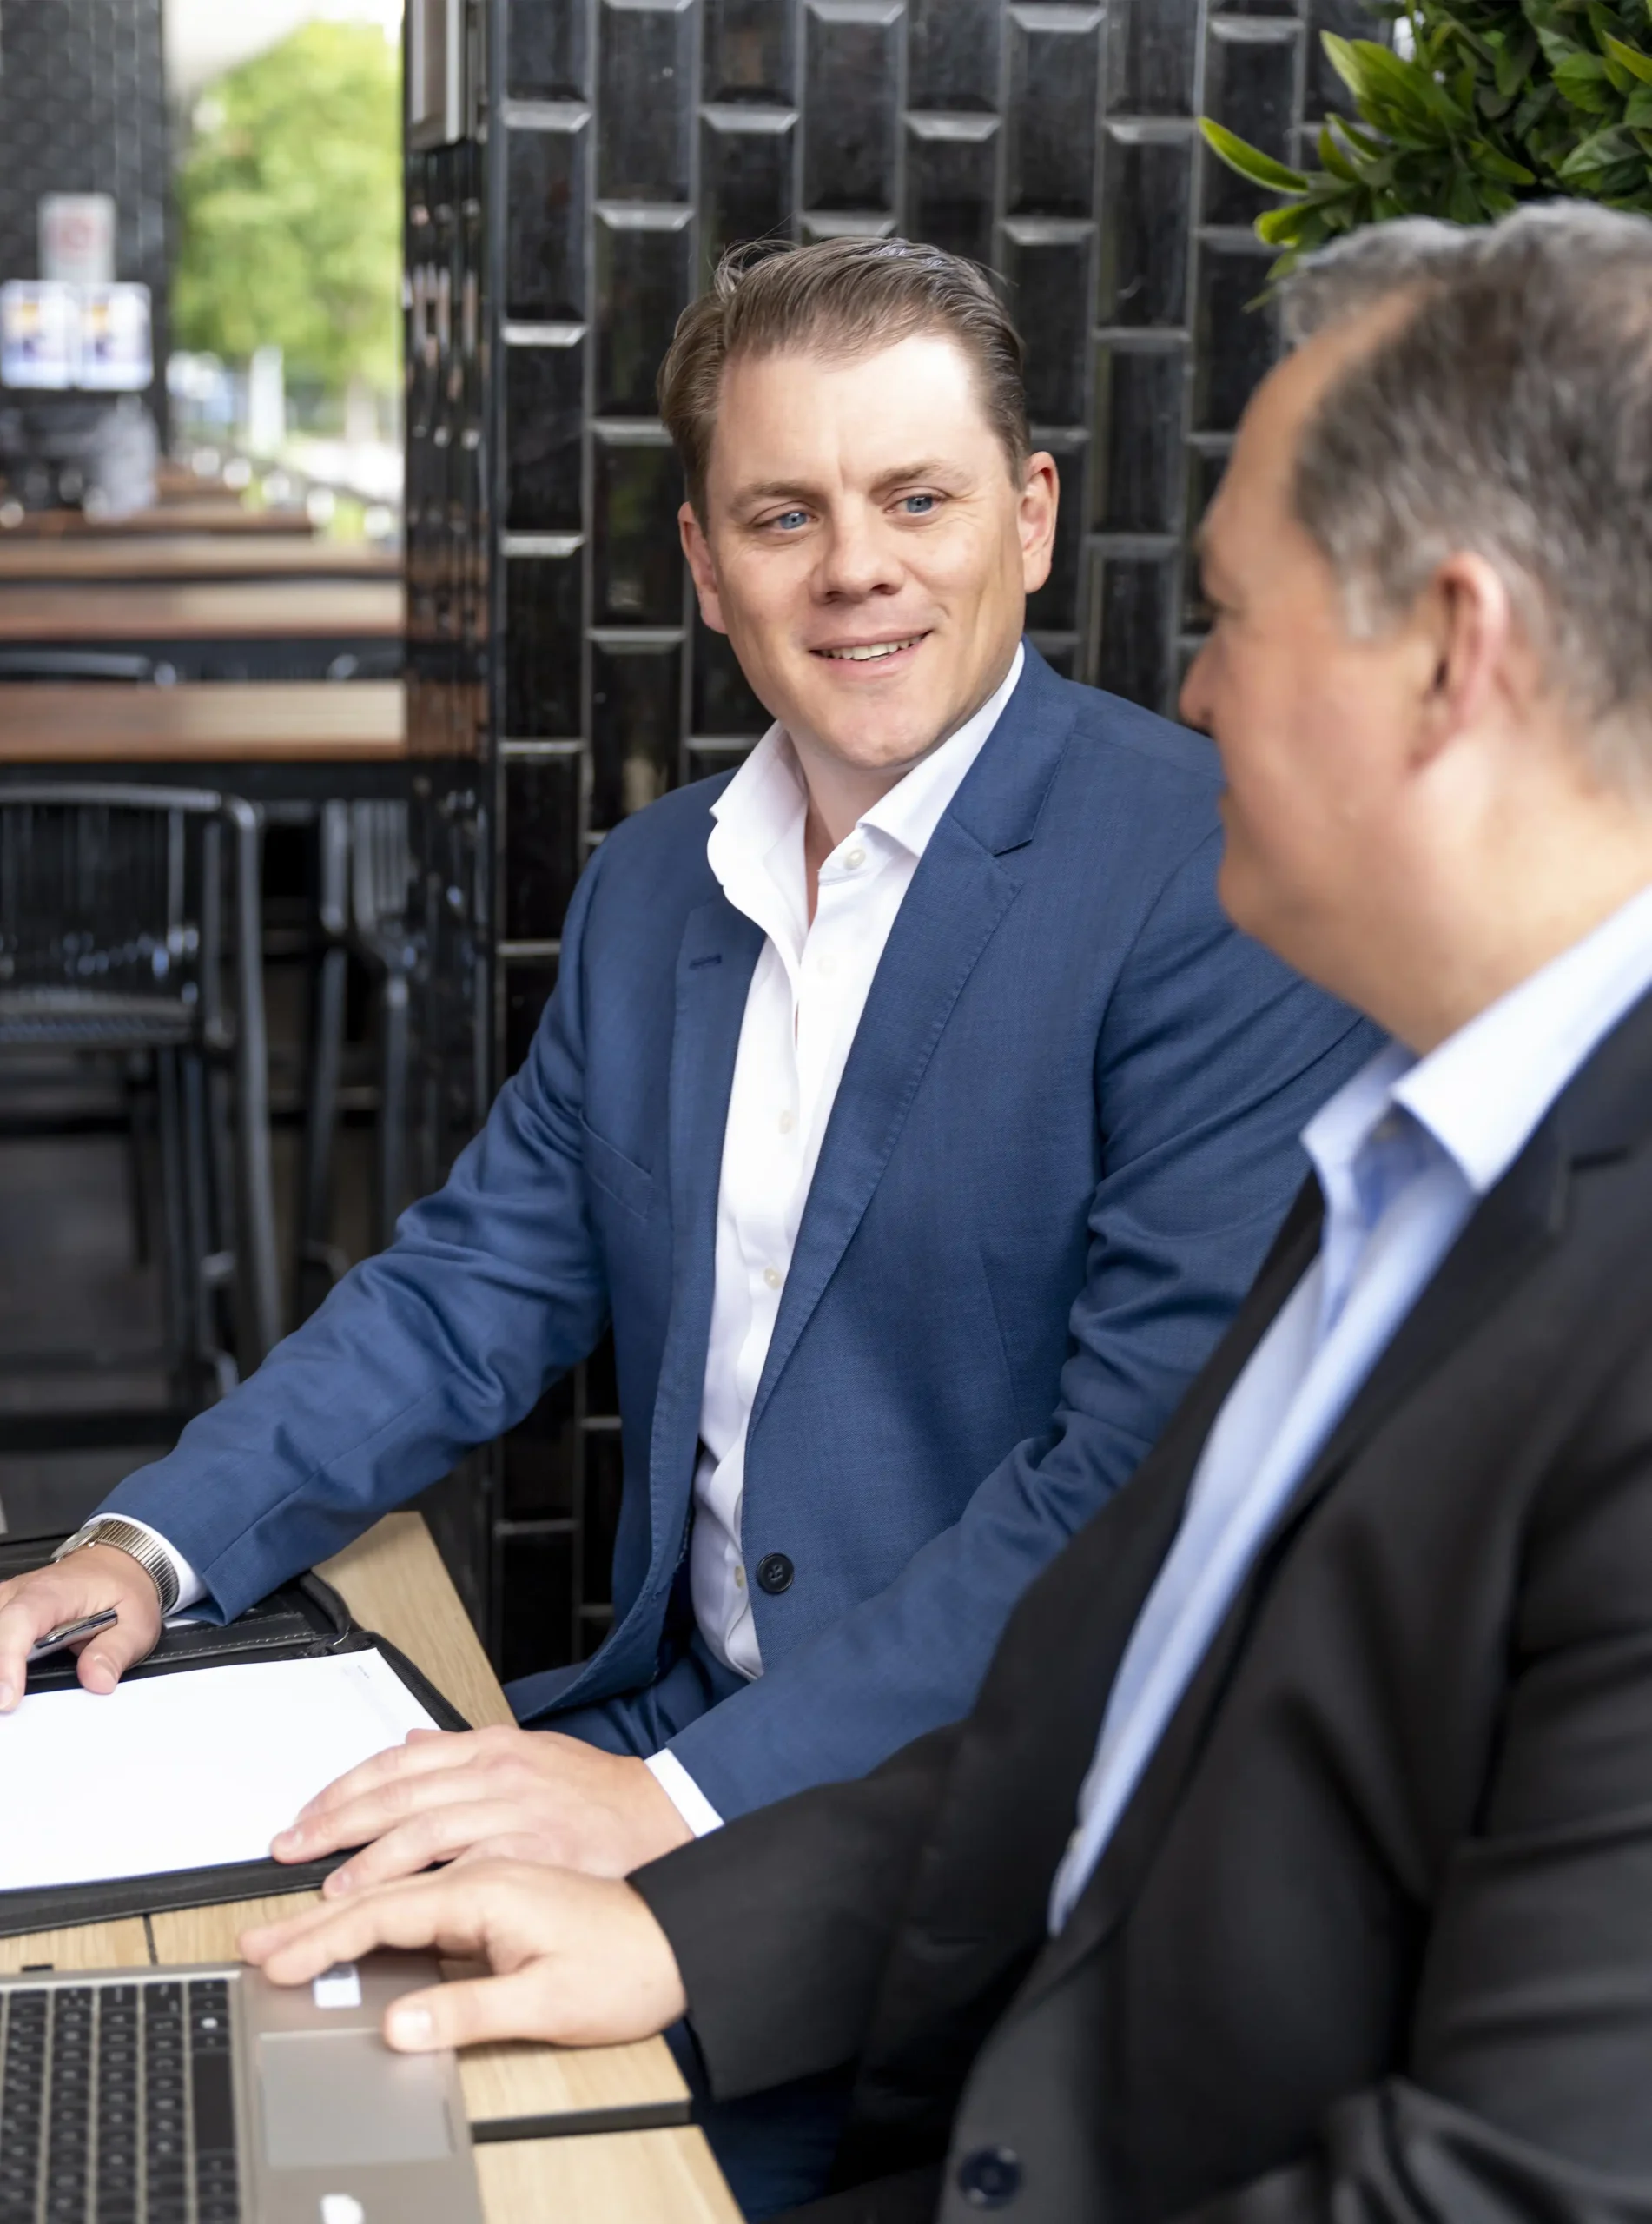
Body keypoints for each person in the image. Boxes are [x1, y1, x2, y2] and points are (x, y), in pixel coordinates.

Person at [241, 202, 1652, 2224]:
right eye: (788, 513)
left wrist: (679, 1836)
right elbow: (1124, 1710)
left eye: (1235, 616)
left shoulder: (1410, 1113)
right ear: (708, 561)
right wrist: (679, 1932)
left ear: (1454, 653)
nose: (1193, 694)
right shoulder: (1423, 1150)